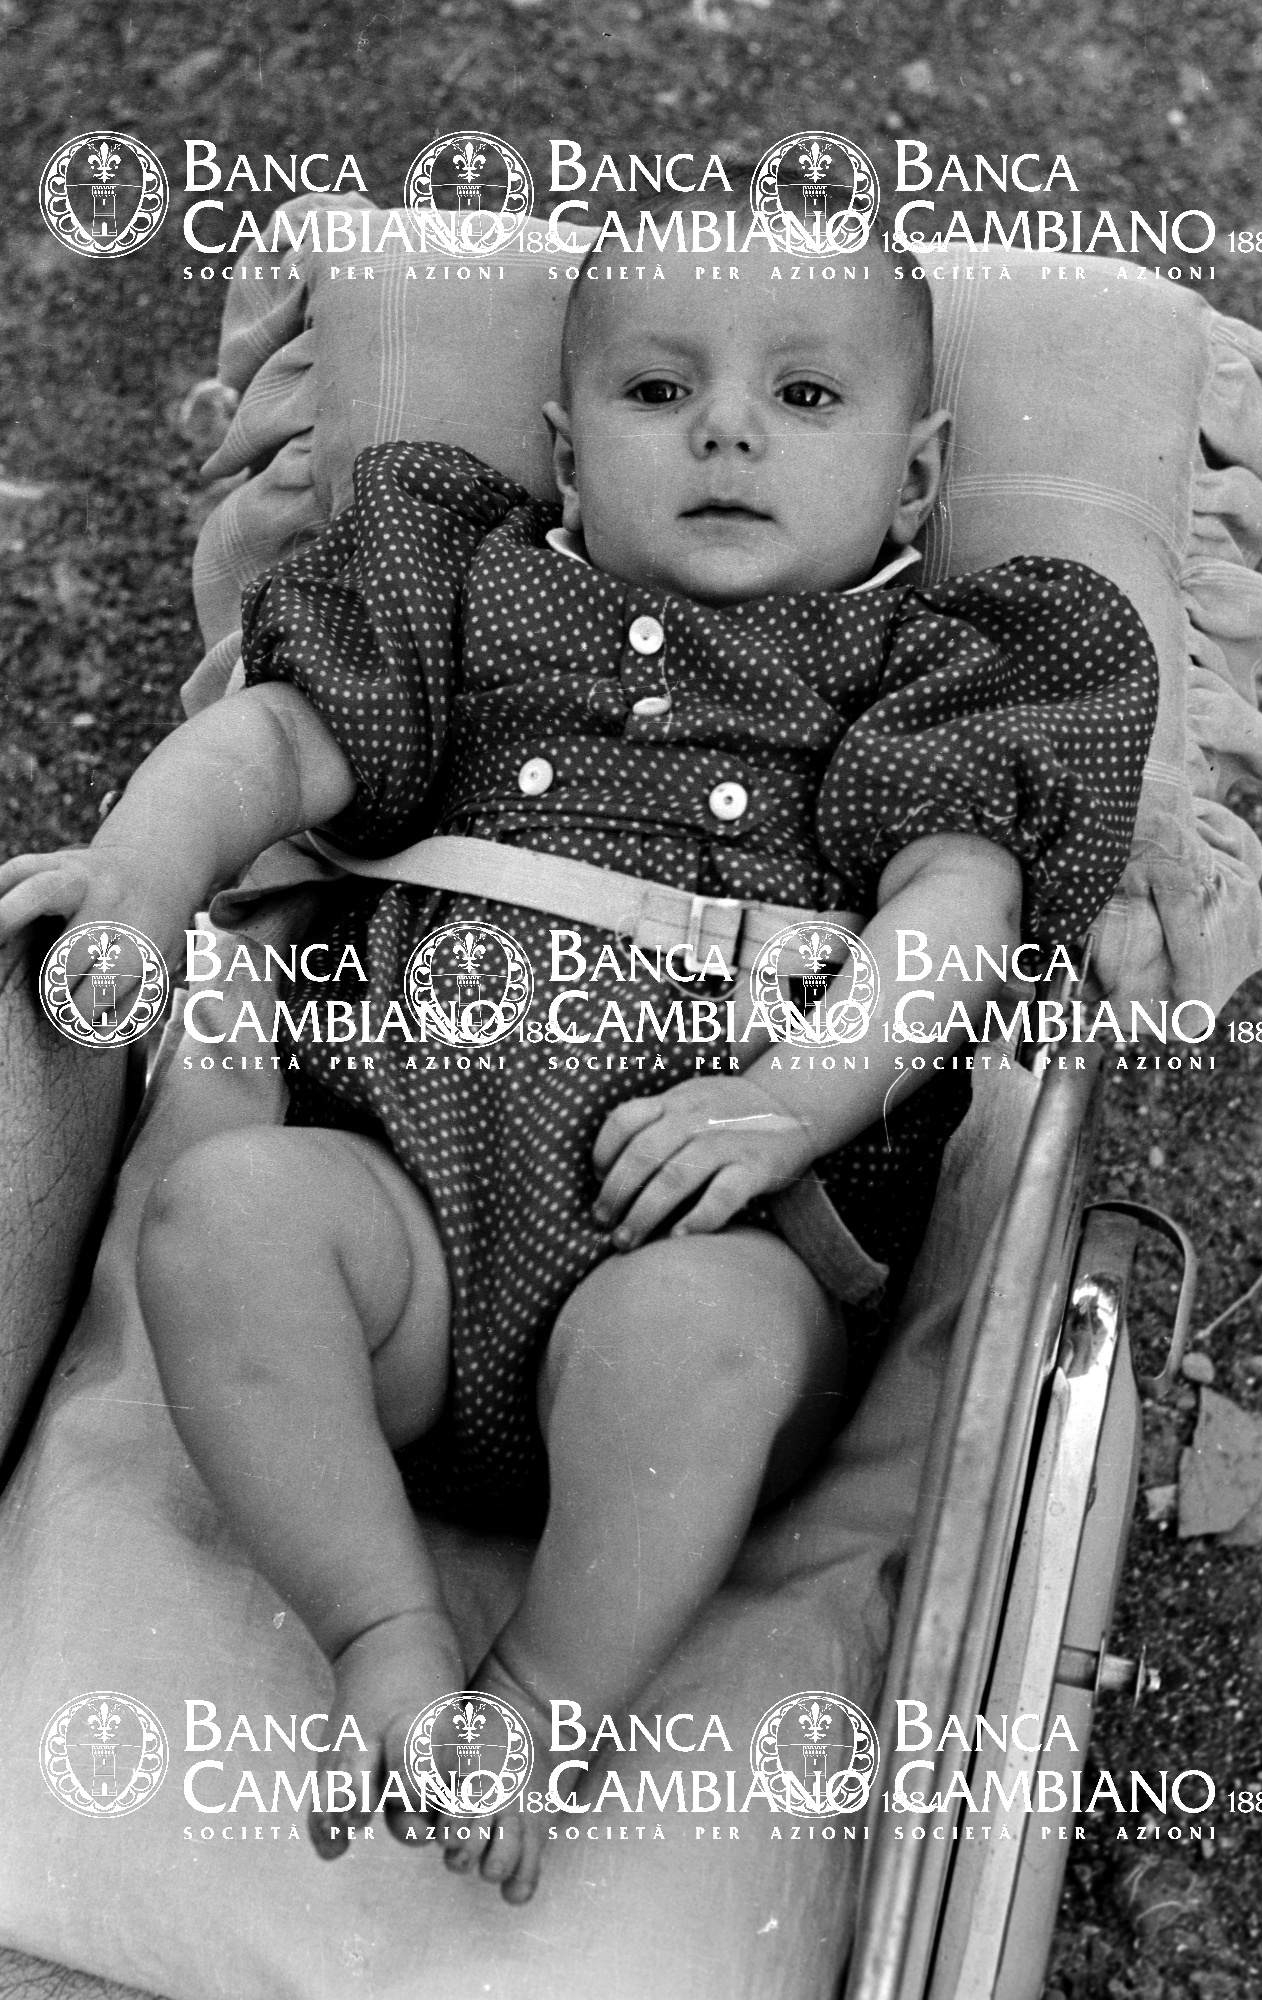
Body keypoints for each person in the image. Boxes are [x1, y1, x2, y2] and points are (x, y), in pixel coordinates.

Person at [0, 233, 1156, 1902]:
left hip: (699, 1258)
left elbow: (954, 921)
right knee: (221, 1214)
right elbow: (272, 739)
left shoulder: (933, 676)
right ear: (563, 450)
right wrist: (140, 873)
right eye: (659, 389)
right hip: (401, 1235)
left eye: (803, 395)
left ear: (915, 479)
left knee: (699, 1339)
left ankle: (541, 1698)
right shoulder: (467, 595)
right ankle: (384, 1628)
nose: (726, 429)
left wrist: (794, 1098)